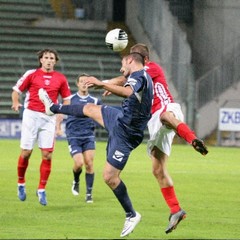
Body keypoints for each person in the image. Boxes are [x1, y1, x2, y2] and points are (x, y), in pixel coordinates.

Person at [39, 52, 153, 237]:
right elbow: (122, 81)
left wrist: (101, 83)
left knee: (109, 177)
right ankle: (54, 108)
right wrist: (108, 82)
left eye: (122, 63)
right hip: (121, 119)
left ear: (131, 60)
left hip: (127, 134)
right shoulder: (138, 75)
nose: (120, 67)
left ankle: (131, 214)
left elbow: (128, 92)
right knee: (90, 109)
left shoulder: (139, 76)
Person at [102, 43, 208, 234]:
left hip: (166, 109)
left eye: (133, 59)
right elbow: (126, 80)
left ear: (143, 60)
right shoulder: (136, 75)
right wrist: (114, 83)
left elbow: (126, 80)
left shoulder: (150, 68)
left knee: (166, 117)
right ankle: (176, 210)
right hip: (153, 123)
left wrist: (108, 82)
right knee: (158, 170)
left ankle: (192, 138)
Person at [11, 48, 71, 206]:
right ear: (41, 60)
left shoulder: (61, 78)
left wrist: (59, 118)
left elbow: (66, 100)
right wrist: (16, 102)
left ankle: (41, 189)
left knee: (47, 155)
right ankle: (21, 183)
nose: (49, 60)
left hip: (49, 118)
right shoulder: (31, 74)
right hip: (31, 115)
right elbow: (16, 90)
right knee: (26, 152)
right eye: (46, 57)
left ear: (55, 61)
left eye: (52, 58)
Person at [65, 74, 101, 203]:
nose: (84, 83)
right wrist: (58, 126)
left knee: (89, 163)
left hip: (88, 136)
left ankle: (89, 194)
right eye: (82, 81)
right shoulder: (69, 99)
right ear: (77, 84)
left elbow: (100, 115)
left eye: (86, 81)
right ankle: (76, 180)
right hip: (73, 136)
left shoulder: (95, 101)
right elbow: (60, 112)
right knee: (79, 163)